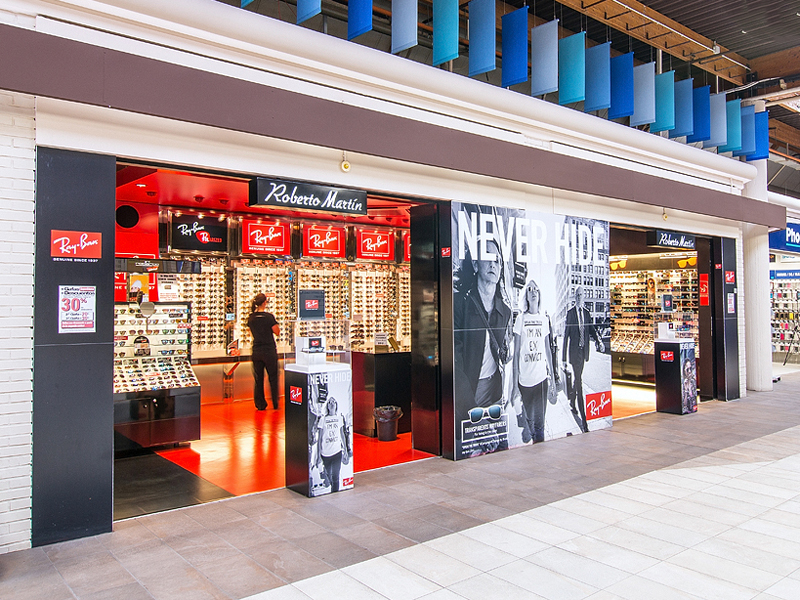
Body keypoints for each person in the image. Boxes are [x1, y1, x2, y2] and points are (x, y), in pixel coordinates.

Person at [453, 237, 513, 455]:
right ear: (476, 265)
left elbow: (502, 351)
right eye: (488, 257)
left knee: (499, 450)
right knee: (470, 451)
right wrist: (470, 410)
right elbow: (455, 361)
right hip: (467, 393)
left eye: (497, 259)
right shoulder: (459, 303)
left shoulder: (504, 311)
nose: (494, 263)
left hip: (495, 393)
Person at [512, 278, 556, 444]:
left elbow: (548, 351)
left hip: (541, 380)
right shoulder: (520, 319)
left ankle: (539, 456)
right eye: (529, 289)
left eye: (535, 289)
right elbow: (516, 353)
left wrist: (552, 378)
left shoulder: (544, 319)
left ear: (539, 294)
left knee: (539, 425)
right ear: (526, 296)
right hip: (525, 382)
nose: (533, 292)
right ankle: (526, 426)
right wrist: (515, 385)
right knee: (531, 422)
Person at [562, 286, 603, 433]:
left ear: (584, 296)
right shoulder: (570, 313)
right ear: (575, 296)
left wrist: (599, 340)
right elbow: (566, 335)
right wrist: (563, 359)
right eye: (577, 295)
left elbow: (591, 329)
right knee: (579, 382)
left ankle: (572, 402)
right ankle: (584, 422)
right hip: (574, 354)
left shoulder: (586, 313)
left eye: (581, 294)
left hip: (583, 352)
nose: (579, 297)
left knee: (577, 378)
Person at [247, 293, 281, 410]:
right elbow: (277, 332)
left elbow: (250, 333)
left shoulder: (251, 318)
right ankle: (275, 403)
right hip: (269, 350)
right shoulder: (269, 317)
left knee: (258, 378)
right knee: (273, 377)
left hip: (256, 350)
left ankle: (260, 404)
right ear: (265, 302)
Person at [315, 397, 349, 492]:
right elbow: (320, 438)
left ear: (336, 405)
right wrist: (318, 456)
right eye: (329, 402)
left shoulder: (339, 418)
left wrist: (345, 450)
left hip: (337, 452)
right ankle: (328, 483)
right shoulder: (323, 419)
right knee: (329, 475)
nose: (332, 403)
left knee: (335, 476)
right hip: (325, 453)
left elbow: (342, 434)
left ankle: (335, 494)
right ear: (327, 406)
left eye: (334, 402)